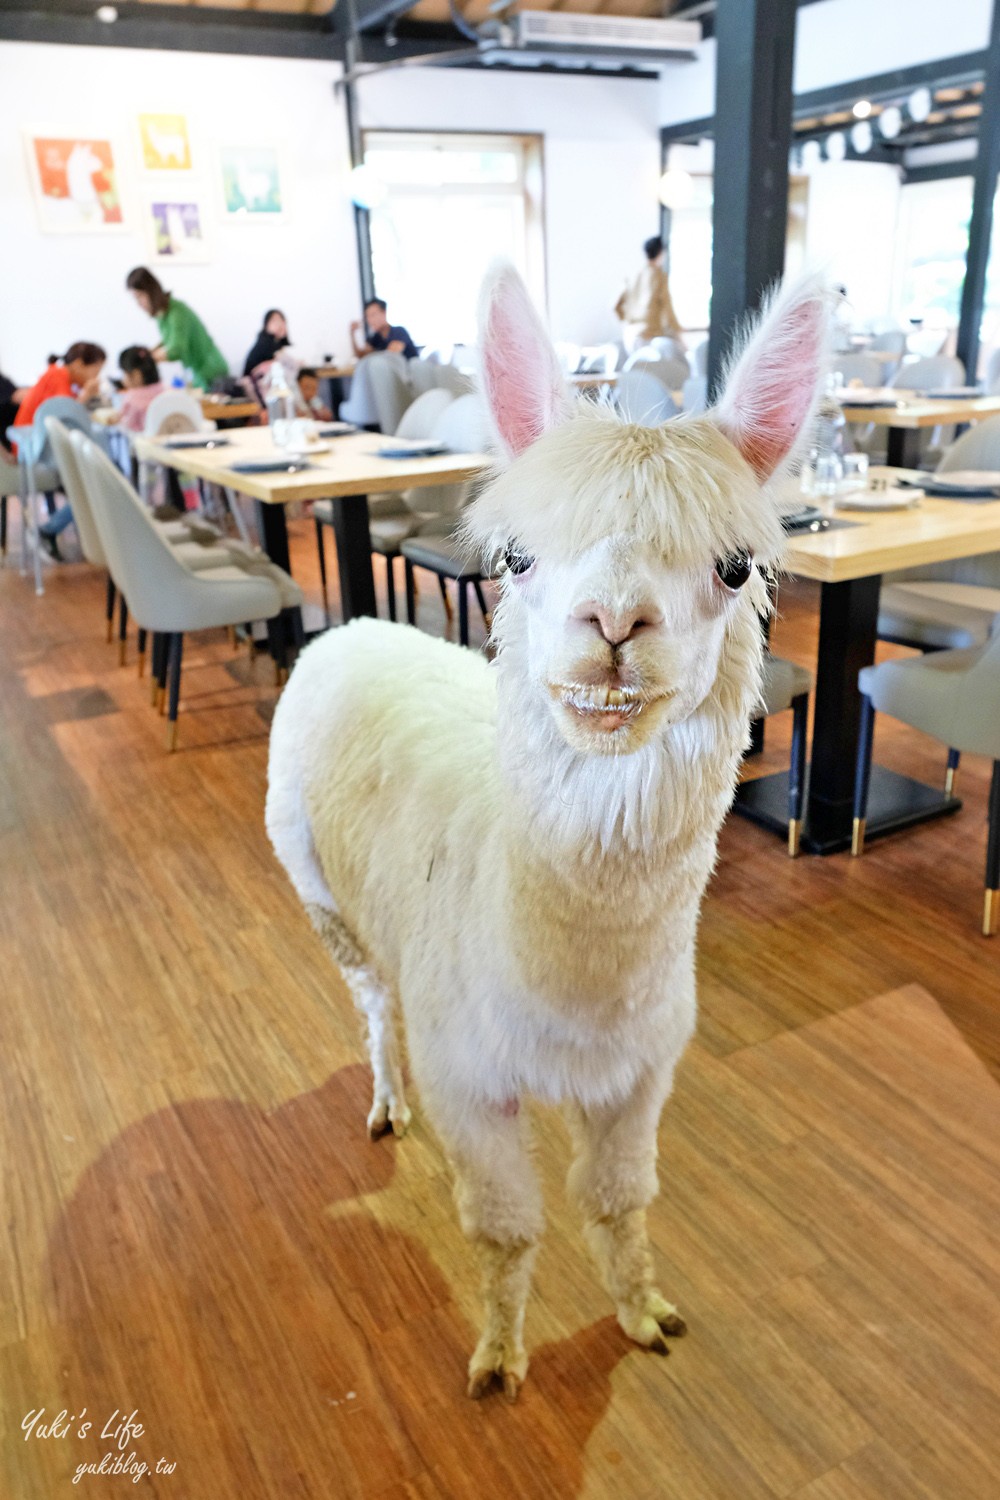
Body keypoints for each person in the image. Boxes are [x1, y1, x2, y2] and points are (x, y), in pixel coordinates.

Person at [13, 342, 107, 560]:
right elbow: (63, 410)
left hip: (41, 445)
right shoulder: (57, 376)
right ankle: (49, 530)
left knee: (94, 477)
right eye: (97, 369)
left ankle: (56, 530)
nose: (98, 375)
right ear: (78, 364)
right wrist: (86, 394)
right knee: (95, 479)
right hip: (36, 449)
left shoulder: (58, 376)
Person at [126, 267, 228, 393]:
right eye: (135, 298)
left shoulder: (177, 312)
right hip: (197, 373)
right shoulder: (162, 316)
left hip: (210, 372)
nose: (139, 303)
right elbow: (167, 340)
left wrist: (148, 361)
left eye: (140, 296)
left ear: (151, 291)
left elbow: (176, 350)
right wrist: (148, 353)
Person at [614, 236, 684, 354]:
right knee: (651, 370)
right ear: (660, 253)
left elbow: (615, 306)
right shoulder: (659, 276)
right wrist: (678, 331)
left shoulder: (632, 275)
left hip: (630, 334)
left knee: (636, 370)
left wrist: (627, 321)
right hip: (648, 335)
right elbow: (667, 306)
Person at [108, 345, 164, 433]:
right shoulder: (166, 389)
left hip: (143, 443)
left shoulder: (132, 398)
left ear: (135, 375)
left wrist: (117, 420)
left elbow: (127, 425)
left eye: (124, 373)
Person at [350, 298, 418, 360]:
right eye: (367, 316)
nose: (370, 320)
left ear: (384, 313)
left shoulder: (399, 331)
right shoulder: (375, 338)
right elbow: (361, 356)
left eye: (373, 315)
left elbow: (393, 353)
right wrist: (352, 334)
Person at [244, 309, 291, 379]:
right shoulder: (264, 344)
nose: (280, 324)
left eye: (282, 320)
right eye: (274, 321)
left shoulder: (277, 345)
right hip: (252, 385)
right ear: (266, 324)